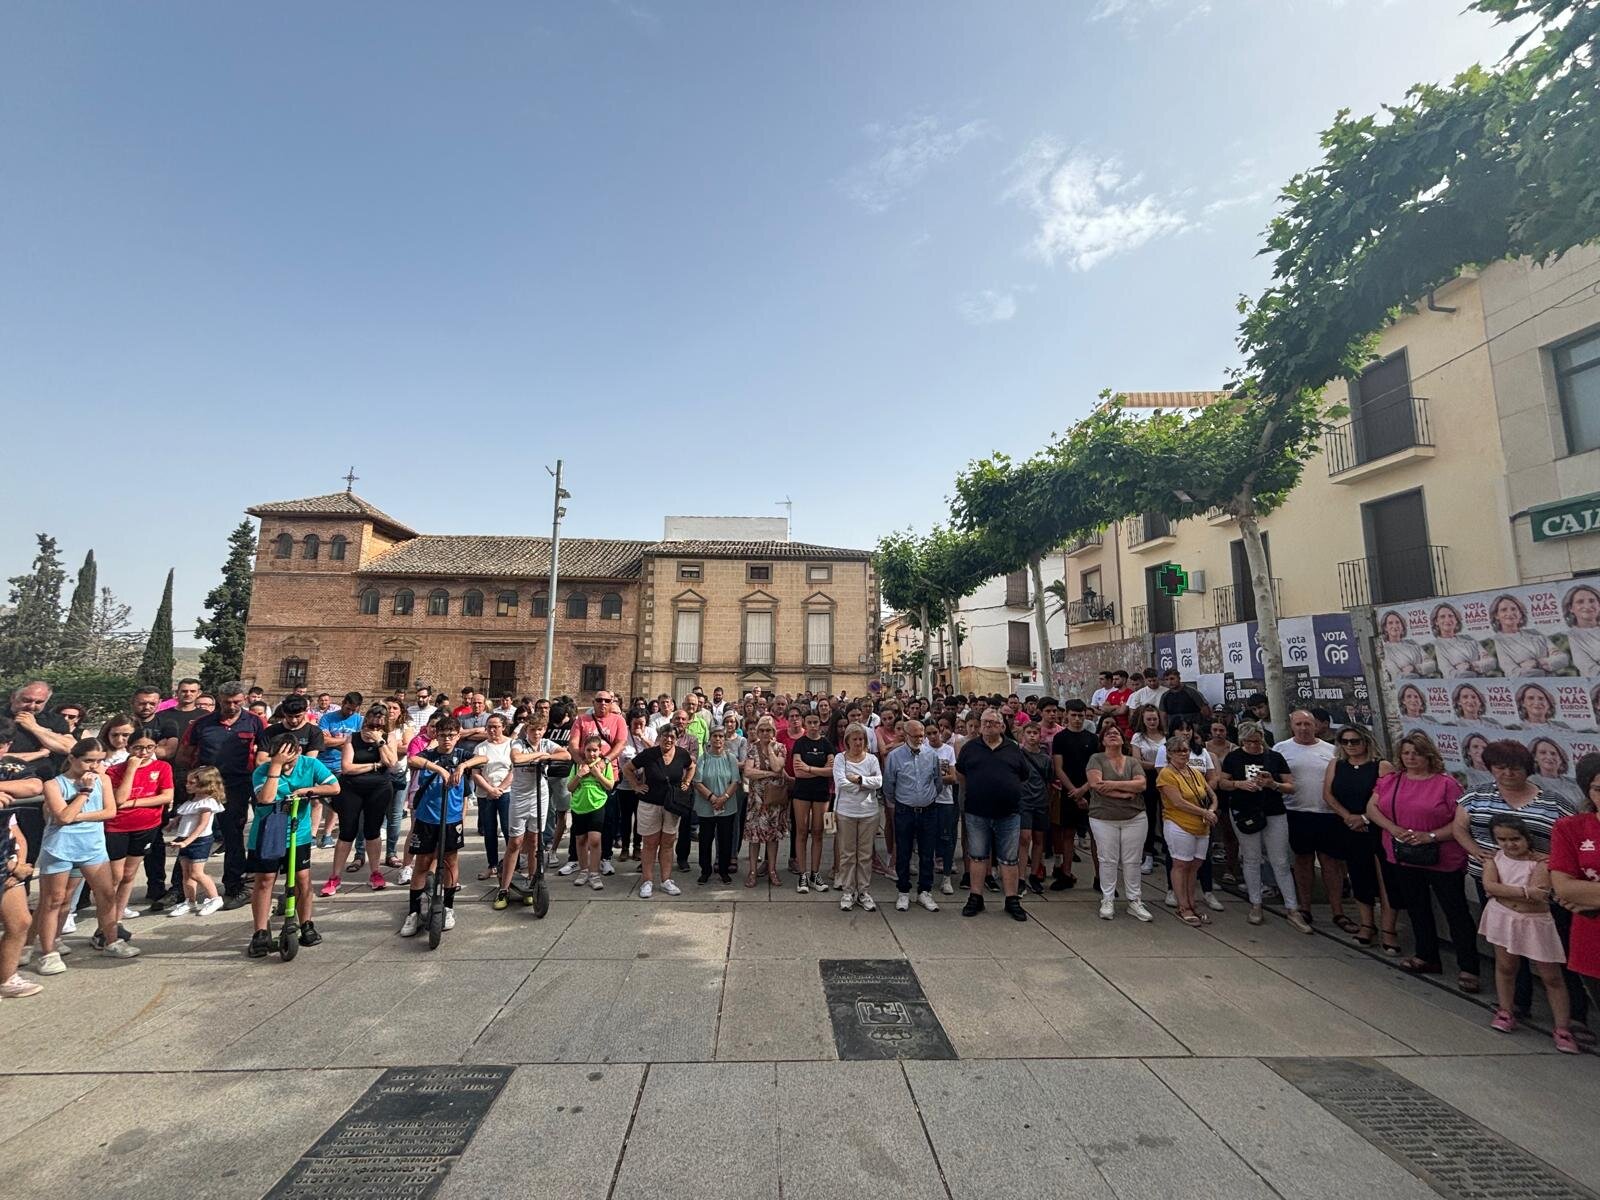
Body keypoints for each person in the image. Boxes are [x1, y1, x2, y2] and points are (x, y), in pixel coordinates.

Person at [1457, 738, 1591, 1036]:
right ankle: (1516, 1004)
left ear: (1527, 769)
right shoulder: (1476, 795)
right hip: (1494, 880)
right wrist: (1475, 851)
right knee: (1508, 952)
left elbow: (1573, 836)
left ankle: (1575, 1016)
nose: (1507, 773)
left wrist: (1554, 861)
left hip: (1544, 886)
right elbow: (1459, 827)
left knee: (1557, 954)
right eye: (1500, 767)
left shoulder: (1552, 801)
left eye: (1514, 767)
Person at [1367, 731, 1480, 992]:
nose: (1410, 758)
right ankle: (1427, 955)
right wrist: (1393, 828)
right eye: (1406, 753)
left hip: (1442, 857)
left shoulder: (1446, 784)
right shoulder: (1391, 781)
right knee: (1417, 907)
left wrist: (1430, 836)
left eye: (1415, 753)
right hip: (1403, 855)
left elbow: (1460, 822)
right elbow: (1372, 808)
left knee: (1456, 912)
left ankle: (1469, 966)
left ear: (1428, 755)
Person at [32, 740, 139, 974]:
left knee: (107, 894)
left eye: (99, 761)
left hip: (92, 845)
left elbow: (109, 811)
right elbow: (61, 818)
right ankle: (49, 950)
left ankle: (111, 940)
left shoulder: (104, 779)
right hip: (60, 847)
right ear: (72, 758)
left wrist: (76, 816)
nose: (94, 766)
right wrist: (84, 793)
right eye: (89, 760)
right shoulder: (54, 784)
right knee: (55, 899)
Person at [1480, 813, 1579, 1051]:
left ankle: (1562, 1027)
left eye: (1515, 839)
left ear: (1527, 838)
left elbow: (1539, 893)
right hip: (1503, 918)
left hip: (1535, 921)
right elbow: (1489, 885)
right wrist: (1523, 892)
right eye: (1502, 839)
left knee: (1551, 975)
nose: (1509, 845)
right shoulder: (1494, 859)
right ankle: (1506, 1010)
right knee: (1505, 966)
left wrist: (1504, 891)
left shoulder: (1542, 863)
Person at [246, 733, 339, 957]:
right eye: (281, 758)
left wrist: (308, 791)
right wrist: (275, 767)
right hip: (269, 831)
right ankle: (260, 931)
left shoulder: (310, 764)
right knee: (265, 880)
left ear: (298, 751)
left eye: (291, 757)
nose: (289, 763)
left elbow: (334, 787)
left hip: (299, 831)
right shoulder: (263, 771)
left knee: (302, 878)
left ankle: (306, 923)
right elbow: (266, 798)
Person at [178, 682, 266, 910]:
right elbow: (185, 754)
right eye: (227, 702)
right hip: (205, 786)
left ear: (244, 699)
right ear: (219, 699)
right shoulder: (202, 723)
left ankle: (235, 886)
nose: (232, 706)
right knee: (190, 834)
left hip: (237, 785)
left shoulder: (255, 722)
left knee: (232, 835)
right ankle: (181, 888)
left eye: (237, 701)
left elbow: (264, 752)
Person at [1219, 722, 1311, 932]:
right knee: (1251, 858)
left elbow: (1291, 786)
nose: (1253, 746)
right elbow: (1222, 782)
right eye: (1248, 742)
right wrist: (1239, 784)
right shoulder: (1234, 758)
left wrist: (1273, 784)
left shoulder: (1274, 757)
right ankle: (1255, 903)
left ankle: (1292, 908)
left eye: (1256, 741)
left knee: (1280, 859)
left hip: (1273, 811)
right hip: (1244, 812)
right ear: (1242, 741)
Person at [401, 717, 485, 936]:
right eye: (443, 735)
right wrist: (439, 769)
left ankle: (448, 907)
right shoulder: (429, 754)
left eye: (451, 735)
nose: (447, 740)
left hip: (452, 818)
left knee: (450, 861)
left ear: (458, 736)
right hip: (428, 818)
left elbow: (483, 757)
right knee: (423, 863)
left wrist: (464, 765)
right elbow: (413, 760)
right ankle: (413, 912)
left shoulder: (461, 755)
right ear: (436, 736)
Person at [1322, 725, 1396, 949]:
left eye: (1355, 741)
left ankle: (1388, 929)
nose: (1350, 746)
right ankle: (1367, 924)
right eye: (1345, 741)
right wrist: (1348, 817)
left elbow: (1388, 799)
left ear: (1366, 741)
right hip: (1349, 827)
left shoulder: (1381, 766)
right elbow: (1328, 795)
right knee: (1359, 875)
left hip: (1377, 828)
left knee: (1385, 880)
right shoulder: (1336, 764)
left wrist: (1364, 818)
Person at [1274, 710, 1345, 930]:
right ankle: (1305, 907)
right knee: (1302, 861)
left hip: (1327, 814)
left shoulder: (1332, 750)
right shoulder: (1280, 749)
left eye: (1307, 724)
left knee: (1330, 864)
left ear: (1316, 726)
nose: (1303, 728)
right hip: (1296, 812)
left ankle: (1338, 911)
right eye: (1299, 724)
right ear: (1291, 725)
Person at [955, 709, 1028, 922]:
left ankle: (1012, 900)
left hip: (1008, 813)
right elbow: (961, 775)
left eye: (993, 722)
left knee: (1009, 858)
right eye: (984, 722)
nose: (987, 725)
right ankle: (976, 897)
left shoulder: (1013, 749)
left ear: (1002, 726)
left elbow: (1023, 776)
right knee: (977, 856)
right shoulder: (970, 748)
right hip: (977, 812)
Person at [322, 707, 397, 896]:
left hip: (379, 789)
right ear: (366, 719)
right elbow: (346, 767)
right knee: (348, 830)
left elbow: (391, 764)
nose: (376, 722)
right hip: (351, 788)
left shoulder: (388, 738)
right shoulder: (352, 738)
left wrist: (380, 742)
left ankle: (375, 873)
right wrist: (373, 765)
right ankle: (335, 876)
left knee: (373, 830)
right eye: (373, 718)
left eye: (381, 719)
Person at [496, 713, 566, 909]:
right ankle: (504, 888)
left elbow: (566, 755)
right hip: (520, 796)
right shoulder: (518, 744)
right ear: (527, 730)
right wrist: (538, 756)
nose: (536, 733)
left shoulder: (546, 744)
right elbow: (517, 759)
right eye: (533, 730)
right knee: (515, 841)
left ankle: (532, 882)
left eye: (540, 730)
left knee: (535, 840)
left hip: (540, 794)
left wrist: (548, 756)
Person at [106, 730, 173, 925]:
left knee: (129, 874)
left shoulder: (162, 767)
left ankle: (116, 919)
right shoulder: (114, 770)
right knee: (114, 876)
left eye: (149, 747)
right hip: (117, 827)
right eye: (138, 748)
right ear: (128, 748)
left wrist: (135, 802)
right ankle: (106, 919)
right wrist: (131, 769)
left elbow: (166, 796)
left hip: (146, 826)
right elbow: (119, 799)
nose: (144, 753)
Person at [1084, 723, 1150, 921]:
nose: (1113, 735)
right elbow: (1096, 784)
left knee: (1133, 860)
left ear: (1123, 739)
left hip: (1135, 816)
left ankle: (1134, 900)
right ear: (1102, 740)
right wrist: (1125, 793)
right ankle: (1108, 898)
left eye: (1116, 733)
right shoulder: (1096, 759)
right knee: (1107, 859)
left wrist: (1112, 785)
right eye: (1108, 734)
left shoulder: (1132, 761)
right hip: (1103, 817)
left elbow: (1142, 784)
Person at [1550, 755, 1600, 1002]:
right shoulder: (1570, 828)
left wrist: (1589, 896)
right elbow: (1564, 887)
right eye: (1599, 789)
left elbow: (1574, 889)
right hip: (1593, 943)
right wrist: (1574, 891)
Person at [624, 724, 694, 899]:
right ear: (659, 736)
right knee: (650, 843)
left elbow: (692, 766)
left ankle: (666, 880)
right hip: (650, 803)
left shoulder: (682, 754)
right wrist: (636, 786)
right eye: (665, 736)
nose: (668, 739)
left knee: (668, 842)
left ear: (676, 738)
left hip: (672, 805)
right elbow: (628, 768)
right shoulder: (649, 754)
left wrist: (686, 782)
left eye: (672, 736)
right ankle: (647, 881)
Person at [1158, 737, 1219, 927]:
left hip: (1201, 825)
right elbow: (1177, 802)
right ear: (1169, 754)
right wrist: (1204, 812)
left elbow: (1211, 794)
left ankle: (1192, 902)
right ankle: (1182, 905)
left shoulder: (1194, 773)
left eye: (1185, 750)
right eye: (1178, 751)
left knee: (1195, 865)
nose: (1183, 754)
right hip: (1179, 823)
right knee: (1181, 864)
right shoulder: (1166, 775)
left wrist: (1211, 810)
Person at [883, 720, 943, 912]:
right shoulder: (895, 756)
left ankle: (925, 891)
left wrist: (928, 798)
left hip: (928, 810)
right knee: (903, 851)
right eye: (915, 735)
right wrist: (901, 801)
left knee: (927, 852)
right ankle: (903, 891)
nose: (919, 739)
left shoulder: (931, 755)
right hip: (905, 810)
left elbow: (938, 781)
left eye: (921, 735)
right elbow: (889, 785)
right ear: (906, 735)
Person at [165, 765, 225, 916]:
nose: (187, 785)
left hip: (200, 840)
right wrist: (175, 821)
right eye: (188, 782)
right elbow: (185, 814)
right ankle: (189, 901)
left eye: (192, 783)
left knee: (197, 873)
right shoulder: (192, 801)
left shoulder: (207, 803)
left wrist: (187, 841)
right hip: (185, 838)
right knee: (186, 872)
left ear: (206, 784)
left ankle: (215, 898)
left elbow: (202, 825)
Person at [787, 711, 833, 894]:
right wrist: (819, 770)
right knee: (801, 832)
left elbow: (832, 770)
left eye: (816, 722)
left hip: (821, 793)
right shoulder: (800, 743)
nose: (813, 725)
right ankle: (803, 873)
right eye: (810, 722)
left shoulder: (826, 744)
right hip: (802, 792)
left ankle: (815, 873)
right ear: (806, 723)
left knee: (818, 832)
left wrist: (809, 768)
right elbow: (798, 773)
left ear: (820, 724)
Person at [741, 718, 789, 888]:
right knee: (754, 838)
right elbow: (748, 771)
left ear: (773, 732)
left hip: (774, 800)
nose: (764, 734)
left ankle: (772, 870)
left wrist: (769, 749)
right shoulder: (752, 748)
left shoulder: (780, 748)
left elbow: (777, 767)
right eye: (761, 730)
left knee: (772, 837)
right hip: (756, 800)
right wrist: (767, 774)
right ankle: (752, 871)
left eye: (768, 730)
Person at [313, 691, 364, 848]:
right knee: (316, 800)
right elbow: (324, 740)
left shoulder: (359, 721)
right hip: (323, 763)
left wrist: (336, 740)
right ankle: (313, 835)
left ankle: (327, 834)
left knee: (336, 801)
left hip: (342, 765)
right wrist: (347, 740)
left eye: (353, 710)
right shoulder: (328, 718)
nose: (350, 712)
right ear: (343, 703)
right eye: (348, 708)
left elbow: (358, 743)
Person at [468, 714, 515, 883]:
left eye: (496, 726)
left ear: (503, 727)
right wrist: (490, 789)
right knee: (489, 830)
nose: (492, 730)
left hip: (506, 791)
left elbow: (514, 770)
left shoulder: (512, 745)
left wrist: (500, 789)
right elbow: (475, 773)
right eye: (489, 727)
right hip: (485, 793)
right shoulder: (481, 748)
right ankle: (492, 865)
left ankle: (512, 864)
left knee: (508, 828)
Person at [0, 804, 41, 997]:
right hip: (7, 867)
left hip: (10, 870)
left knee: (20, 922)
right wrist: (13, 867)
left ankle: (7, 979)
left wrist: (19, 868)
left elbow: (18, 836)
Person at [692, 727, 740, 884]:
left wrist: (724, 798)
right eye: (715, 736)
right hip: (706, 806)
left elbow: (735, 781)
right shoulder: (703, 758)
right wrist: (712, 797)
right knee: (705, 839)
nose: (718, 739)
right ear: (710, 739)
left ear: (724, 739)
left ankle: (724, 870)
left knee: (725, 839)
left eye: (721, 736)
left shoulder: (730, 758)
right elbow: (697, 782)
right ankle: (705, 870)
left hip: (727, 805)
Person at [566, 735, 614, 889]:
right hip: (579, 806)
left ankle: (594, 873)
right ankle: (583, 870)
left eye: (595, 750)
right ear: (583, 751)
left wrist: (598, 775)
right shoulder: (576, 766)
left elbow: (610, 786)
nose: (592, 754)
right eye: (588, 750)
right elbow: (570, 787)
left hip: (597, 805)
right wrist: (580, 775)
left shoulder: (604, 766)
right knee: (580, 840)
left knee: (594, 840)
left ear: (600, 751)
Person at [1013, 721, 1053, 895]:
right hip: (1024, 802)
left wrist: (1047, 800)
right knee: (1024, 838)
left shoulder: (1045, 759)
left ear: (1040, 735)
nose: (1032, 736)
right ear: (1023, 735)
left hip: (1040, 802)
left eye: (1035, 733)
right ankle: (1020, 877)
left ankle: (1034, 875)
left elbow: (1050, 782)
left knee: (1039, 839)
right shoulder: (1018, 756)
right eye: (1028, 733)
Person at [613, 710, 656, 864]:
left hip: (644, 782)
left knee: (640, 817)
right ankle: (625, 848)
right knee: (625, 817)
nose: (638, 726)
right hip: (626, 783)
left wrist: (642, 737)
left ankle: (637, 847)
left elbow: (655, 751)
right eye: (635, 724)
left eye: (641, 724)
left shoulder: (650, 732)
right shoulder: (623, 733)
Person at [1491, 593, 1568, 675]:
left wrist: (1537, 663)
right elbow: (1514, 673)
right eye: (1504, 610)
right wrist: (1548, 665)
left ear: (1520, 613)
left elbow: (1563, 659)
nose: (1510, 613)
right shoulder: (1498, 641)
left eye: (1514, 609)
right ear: (1496, 615)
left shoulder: (1535, 633)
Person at [926, 719, 960, 895]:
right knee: (928, 839)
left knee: (946, 838)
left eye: (935, 732)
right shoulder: (923, 751)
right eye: (928, 733)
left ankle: (946, 876)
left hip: (945, 800)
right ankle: (928, 877)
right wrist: (939, 777)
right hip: (927, 800)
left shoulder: (947, 750)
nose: (932, 736)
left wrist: (933, 778)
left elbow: (952, 778)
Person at [1431, 603, 1495, 677]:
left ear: (1456, 620)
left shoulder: (1468, 638)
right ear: (1436, 622)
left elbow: (1491, 663)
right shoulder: (1438, 646)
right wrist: (1479, 667)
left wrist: (1470, 666)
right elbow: (1451, 675)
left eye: (1451, 616)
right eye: (1442, 617)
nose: (1447, 619)